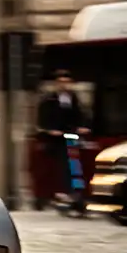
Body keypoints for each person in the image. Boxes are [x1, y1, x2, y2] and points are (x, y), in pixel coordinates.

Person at [37, 70, 90, 200]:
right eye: (61, 82)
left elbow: (82, 115)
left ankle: (77, 191)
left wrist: (83, 127)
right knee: (61, 163)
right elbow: (43, 118)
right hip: (56, 139)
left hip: (72, 135)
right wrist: (50, 130)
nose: (64, 85)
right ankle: (62, 191)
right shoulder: (49, 99)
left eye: (67, 82)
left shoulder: (75, 99)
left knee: (76, 162)